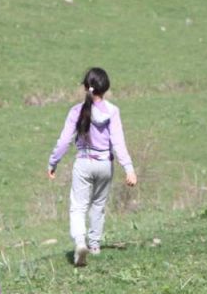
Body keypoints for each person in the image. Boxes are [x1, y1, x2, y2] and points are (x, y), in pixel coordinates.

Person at [47, 67, 138, 267]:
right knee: (98, 205)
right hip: (105, 164)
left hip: (84, 162)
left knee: (78, 207)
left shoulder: (76, 111)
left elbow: (64, 141)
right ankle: (95, 245)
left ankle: (80, 243)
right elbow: (118, 142)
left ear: (85, 87)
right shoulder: (113, 112)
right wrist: (129, 169)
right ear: (105, 88)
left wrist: (53, 162)